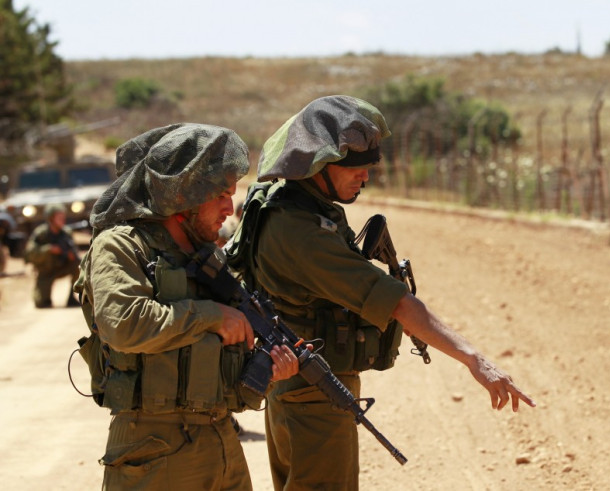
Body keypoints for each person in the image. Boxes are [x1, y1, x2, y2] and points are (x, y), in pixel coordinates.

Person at [230, 95, 536, 490]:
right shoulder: (302, 233)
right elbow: (397, 302)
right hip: (311, 396)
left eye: (369, 168)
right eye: (355, 169)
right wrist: (473, 359)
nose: (366, 177)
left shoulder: (296, 205)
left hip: (297, 389)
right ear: (320, 165)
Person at [73, 123, 300, 490]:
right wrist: (212, 316)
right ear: (186, 197)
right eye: (221, 195)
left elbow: (217, 367)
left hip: (221, 441)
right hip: (154, 448)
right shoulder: (122, 246)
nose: (230, 208)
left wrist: (267, 371)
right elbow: (125, 325)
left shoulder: (207, 260)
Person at [23, 203, 81, 307]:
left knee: (78, 264)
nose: (62, 220)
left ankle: (71, 298)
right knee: (41, 303)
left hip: (62, 267)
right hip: (46, 271)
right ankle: (44, 297)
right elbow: (29, 253)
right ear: (51, 219)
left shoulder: (66, 233)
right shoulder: (41, 233)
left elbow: (74, 252)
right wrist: (48, 249)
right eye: (59, 217)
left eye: (63, 217)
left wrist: (70, 255)